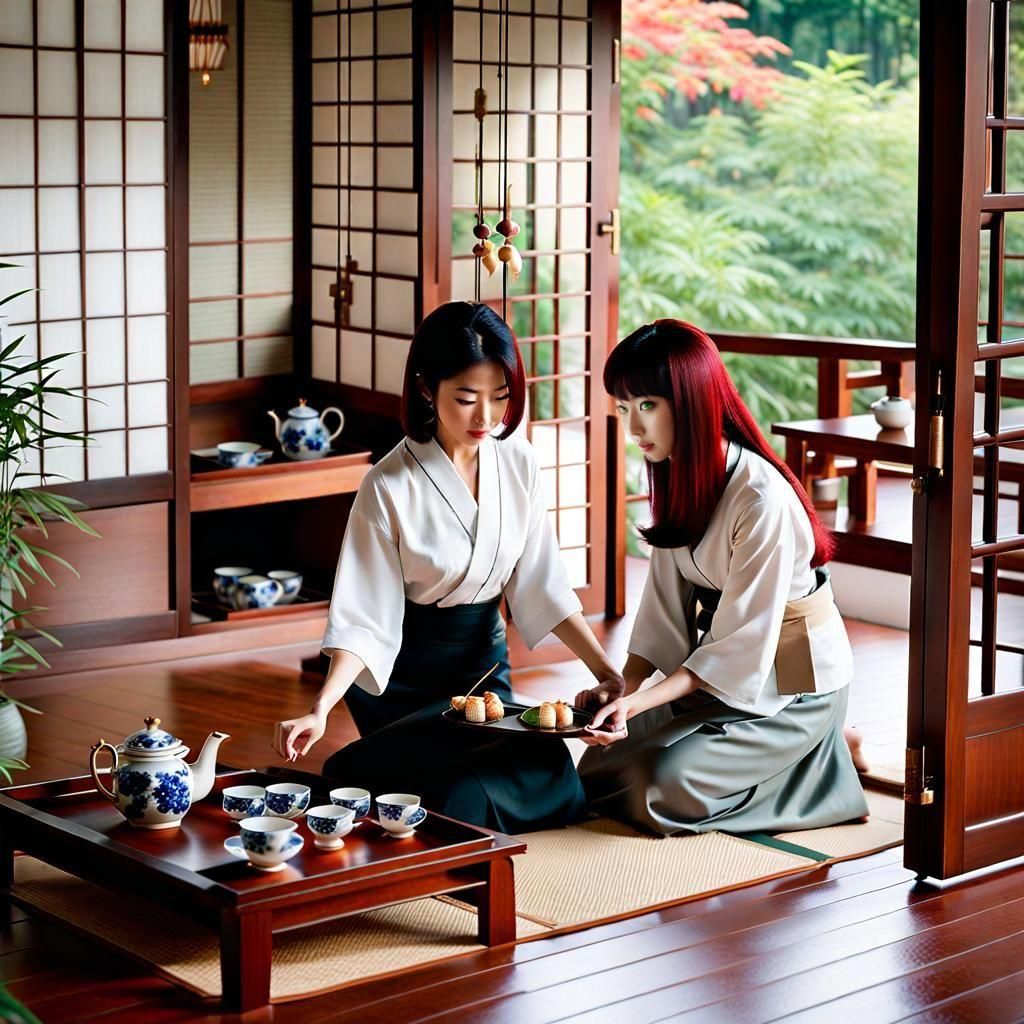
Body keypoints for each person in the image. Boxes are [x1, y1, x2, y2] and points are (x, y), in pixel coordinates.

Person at [272, 301, 622, 833]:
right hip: (402, 679)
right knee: (457, 791)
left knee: (547, 763)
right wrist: (321, 708)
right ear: (424, 389)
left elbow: (544, 587)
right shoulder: (388, 485)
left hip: (483, 673)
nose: (486, 418)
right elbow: (363, 620)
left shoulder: (520, 461)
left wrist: (608, 674)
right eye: (466, 398)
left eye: (501, 399)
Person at [575, 319, 869, 836]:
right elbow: (662, 613)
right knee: (595, 768)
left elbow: (738, 644)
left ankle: (822, 756)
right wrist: (623, 687)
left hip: (793, 685)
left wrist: (637, 704)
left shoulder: (760, 498)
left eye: (647, 406)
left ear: (689, 403)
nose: (634, 428)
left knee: (654, 785)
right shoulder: (675, 475)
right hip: (720, 670)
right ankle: (821, 747)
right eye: (624, 409)